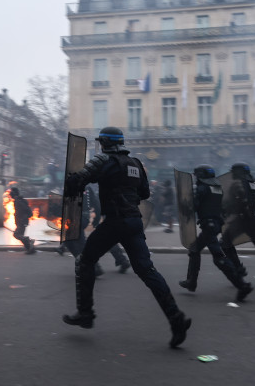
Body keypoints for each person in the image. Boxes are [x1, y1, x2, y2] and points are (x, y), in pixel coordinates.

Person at [62, 126, 191, 348]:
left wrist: (72, 177)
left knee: (85, 261)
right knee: (147, 270)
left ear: (103, 143)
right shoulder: (136, 164)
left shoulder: (103, 161)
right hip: (134, 222)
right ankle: (176, 318)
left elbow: (79, 181)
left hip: (115, 221)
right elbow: (145, 194)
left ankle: (86, 314)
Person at [179, 164, 253, 302]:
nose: (196, 179)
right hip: (217, 223)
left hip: (208, 225)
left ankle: (242, 285)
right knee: (195, 250)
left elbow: (192, 206)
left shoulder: (201, 188)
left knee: (219, 258)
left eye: (197, 176)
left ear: (201, 176)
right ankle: (191, 282)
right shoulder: (217, 188)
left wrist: (185, 202)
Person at [57, 185, 130, 274]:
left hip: (76, 216)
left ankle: (94, 266)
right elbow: (96, 203)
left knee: (77, 242)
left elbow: (62, 204)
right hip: (93, 215)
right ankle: (121, 260)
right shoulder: (89, 186)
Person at [9, 187, 36, 254]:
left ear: (14, 193)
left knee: (16, 234)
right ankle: (30, 250)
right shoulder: (19, 200)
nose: (10, 194)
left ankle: (29, 241)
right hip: (22, 220)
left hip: (22, 221)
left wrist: (19, 218)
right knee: (21, 235)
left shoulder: (18, 201)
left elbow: (23, 210)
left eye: (11, 192)